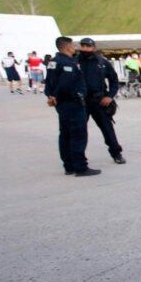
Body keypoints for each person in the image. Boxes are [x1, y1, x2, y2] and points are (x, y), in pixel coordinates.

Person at [45, 37, 100, 177]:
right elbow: (66, 84)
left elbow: (49, 82)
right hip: (72, 103)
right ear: (66, 47)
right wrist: (57, 96)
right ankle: (80, 167)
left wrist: (51, 96)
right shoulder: (67, 63)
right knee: (78, 135)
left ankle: (68, 165)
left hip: (62, 105)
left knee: (65, 134)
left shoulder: (53, 62)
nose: (75, 47)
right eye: (72, 45)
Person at [78, 37, 125, 165]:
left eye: (88, 46)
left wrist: (110, 96)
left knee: (107, 129)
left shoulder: (102, 62)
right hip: (81, 102)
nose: (85, 49)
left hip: (99, 100)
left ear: (94, 48)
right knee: (79, 130)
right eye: (83, 46)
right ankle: (79, 157)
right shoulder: (75, 62)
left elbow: (114, 81)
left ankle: (116, 153)